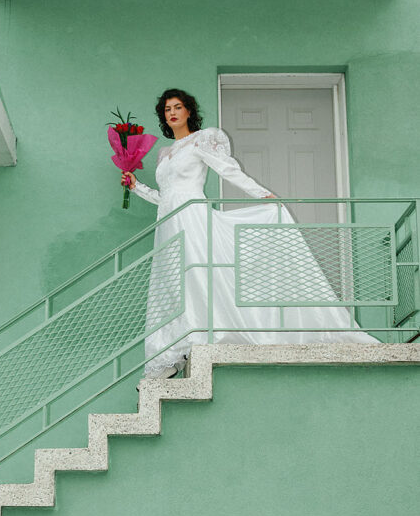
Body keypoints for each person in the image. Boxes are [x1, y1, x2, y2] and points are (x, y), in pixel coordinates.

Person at [121, 89, 379, 378]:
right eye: (167, 109)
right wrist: (136, 188)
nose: (172, 113)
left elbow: (228, 170)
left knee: (197, 277)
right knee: (172, 285)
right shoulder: (163, 154)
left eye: (178, 107)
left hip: (192, 218)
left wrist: (262, 194)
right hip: (167, 225)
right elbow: (166, 197)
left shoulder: (201, 140)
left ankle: (200, 337)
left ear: (189, 111)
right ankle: (170, 354)